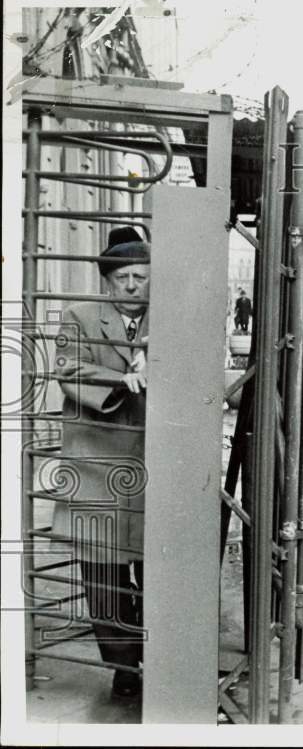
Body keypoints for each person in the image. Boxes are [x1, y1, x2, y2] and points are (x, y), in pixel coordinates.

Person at [52, 226, 149, 699]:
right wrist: (123, 377)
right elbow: (68, 370)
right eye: (123, 278)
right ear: (107, 282)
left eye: (142, 277)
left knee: (157, 570)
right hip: (97, 467)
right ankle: (124, 666)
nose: (133, 286)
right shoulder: (78, 315)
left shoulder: (169, 319)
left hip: (153, 466)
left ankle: (163, 655)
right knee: (104, 576)